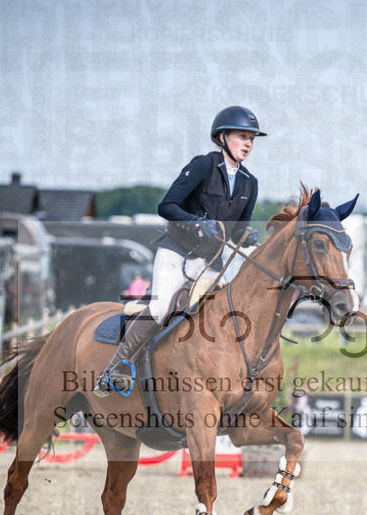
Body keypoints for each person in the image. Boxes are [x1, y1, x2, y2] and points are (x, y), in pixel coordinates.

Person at [95, 105, 265, 395]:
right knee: (162, 307)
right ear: (222, 137)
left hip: (210, 263)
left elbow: (238, 229)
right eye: (242, 136)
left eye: (251, 138)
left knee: (223, 313)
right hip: (177, 253)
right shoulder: (203, 166)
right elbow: (166, 206)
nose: (248, 143)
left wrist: (246, 235)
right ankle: (115, 368)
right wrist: (197, 223)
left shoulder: (250, 183)